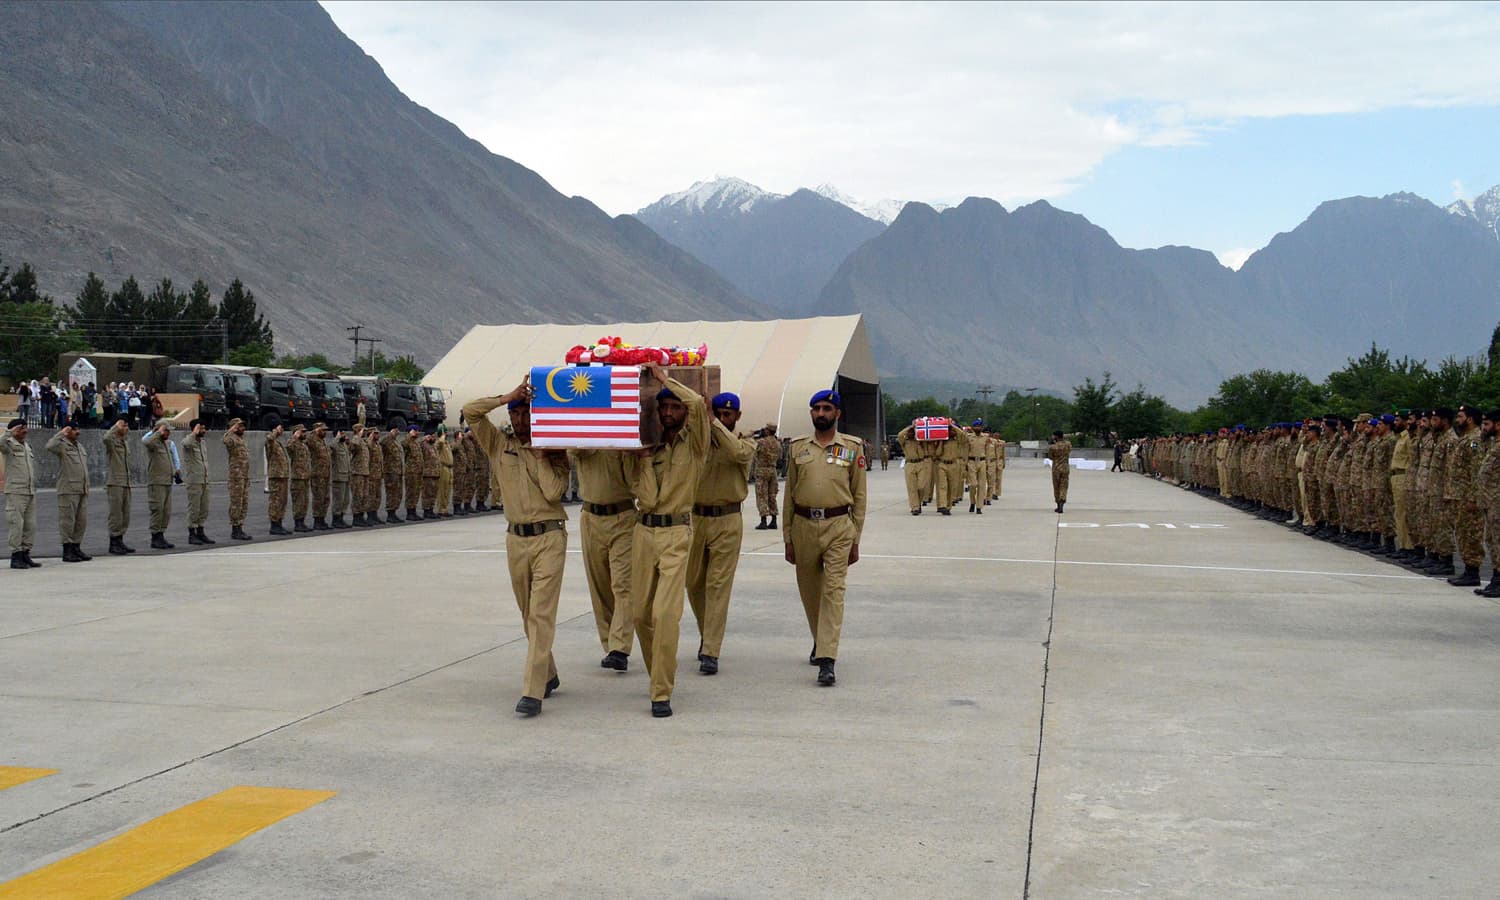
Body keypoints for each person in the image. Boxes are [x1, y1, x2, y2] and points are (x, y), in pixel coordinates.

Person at [463, 376, 570, 718]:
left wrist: (540, 457)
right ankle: (548, 673)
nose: (521, 420)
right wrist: (506, 396)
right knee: (527, 614)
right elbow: (470, 412)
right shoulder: (499, 444)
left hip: (549, 536)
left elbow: (554, 493)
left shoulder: (554, 450)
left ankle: (532, 691)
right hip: (515, 538)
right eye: (516, 413)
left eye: (526, 412)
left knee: (541, 614)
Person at [631, 364, 710, 718]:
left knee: (665, 614)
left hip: (677, 532)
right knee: (639, 615)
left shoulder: (695, 444)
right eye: (663, 407)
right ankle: (658, 672)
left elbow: (697, 402)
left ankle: (661, 691)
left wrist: (665, 381)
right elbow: (645, 498)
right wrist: (644, 461)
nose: (668, 412)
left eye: (673, 407)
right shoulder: (648, 448)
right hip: (644, 531)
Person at [783, 390, 867, 687]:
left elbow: (859, 496)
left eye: (827, 408)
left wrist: (855, 537)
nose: (821, 413)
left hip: (838, 527)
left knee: (833, 592)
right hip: (804, 525)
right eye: (816, 408)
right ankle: (820, 640)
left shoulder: (852, 448)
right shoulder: (797, 449)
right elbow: (789, 496)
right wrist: (787, 538)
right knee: (810, 593)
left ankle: (827, 659)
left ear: (838, 414)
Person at [687, 392, 756, 676]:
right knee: (693, 584)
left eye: (729, 415)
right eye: (719, 413)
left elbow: (737, 454)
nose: (724, 418)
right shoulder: (700, 439)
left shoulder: (746, 440)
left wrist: (713, 423)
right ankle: (708, 633)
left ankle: (711, 650)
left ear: (737, 416)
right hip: (696, 518)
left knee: (718, 586)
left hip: (727, 519)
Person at [571, 445, 638, 672]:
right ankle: (611, 644)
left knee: (623, 585)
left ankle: (620, 647)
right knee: (599, 587)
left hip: (623, 516)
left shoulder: (622, 437)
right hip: (591, 517)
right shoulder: (584, 436)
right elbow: (573, 452)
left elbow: (634, 477)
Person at [46, 422, 91, 562]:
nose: (77, 432)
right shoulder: (61, 445)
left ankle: (76, 547)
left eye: (78, 429)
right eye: (74, 430)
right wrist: (62, 433)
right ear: (67, 431)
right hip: (68, 489)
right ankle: (67, 550)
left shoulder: (80, 447)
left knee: (81, 521)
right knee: (67, 521)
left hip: (82, 489)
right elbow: (49, 446)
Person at [3, 419, 41, 568]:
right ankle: (16, 556)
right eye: (21, 429)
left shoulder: (26, 446)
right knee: (16, 525)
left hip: (29, 491)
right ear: (14, 430)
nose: (25, 431)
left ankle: (25, 554)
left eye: (25, 428)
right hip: (16, 491)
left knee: (30, 525)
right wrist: (9, 432)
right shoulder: (8, 445)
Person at [101, 417, 136, 554]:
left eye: (126, 426)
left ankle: (120, 540)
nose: (125, 428)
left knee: (124, 514)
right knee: (115, 514)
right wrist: (116, 426)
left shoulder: (124, 443)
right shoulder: (112, 442)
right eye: (123, 426)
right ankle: (113, 542)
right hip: (115, 482)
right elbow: (106, 438)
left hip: (125, 482)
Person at [181, 418, 217, 545]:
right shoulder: (189, 441)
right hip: (194, 480)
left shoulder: (202, 442)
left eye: (204, 428)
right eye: (201, 428)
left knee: (204, 507)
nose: (204, 430)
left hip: (204, 479)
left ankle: (200, 531)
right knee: (194, 508)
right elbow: (185, 444)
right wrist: (194, 433)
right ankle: (192, 534)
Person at [142, 421, 176, 549]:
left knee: (166, 511)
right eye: (166, 430)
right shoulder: (154, 443)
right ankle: (155, 536)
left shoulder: (166, 444)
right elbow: (146, 442)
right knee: (157, 509)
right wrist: (157, 432)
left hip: (167, 481)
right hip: (156, 482)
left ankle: (161, 534)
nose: (169, 433)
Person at [223, 417, 252, 540]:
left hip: (244, 476)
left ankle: (240, 526)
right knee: (236, 502)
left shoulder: (240, 439)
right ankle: (235, 529)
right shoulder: (231, 438)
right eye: (240, 426)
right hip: (236, 477)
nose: (243, 428)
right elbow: (225, 440)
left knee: (244, 502)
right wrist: (231, 430)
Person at [752, 423, 781, 530]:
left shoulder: (761, 442)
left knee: (761, 495)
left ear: (768, 431)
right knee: (772, 495)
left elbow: (753, 451)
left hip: (762, 470)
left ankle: (763, 520)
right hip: (772, 471)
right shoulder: (778, 443)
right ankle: (774, 520)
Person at [265, 422, 291, 535]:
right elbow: (270, 438)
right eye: (280, 428)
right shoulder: (270, 441)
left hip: (282, 476)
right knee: (275, 501)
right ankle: (274, 525)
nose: (282, 430)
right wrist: (275, 430)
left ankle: (279, 523)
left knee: (282, 501)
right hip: (275, 476)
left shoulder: (278, 442)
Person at [309, 422, 333, 531]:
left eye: (325, 430)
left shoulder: (322, 442)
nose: (325, 432)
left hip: (326, 474)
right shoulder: (313, 440)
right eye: (322, 430)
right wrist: (314, 432)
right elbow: (308, 440)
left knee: (325, 498)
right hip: (318, 475)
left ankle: (322, 518)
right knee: (318, 498)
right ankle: (317, 520)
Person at [289, 424, 313, 532]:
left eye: (304, 432)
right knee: (298, 501)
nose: (304, 434)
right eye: (302, 432)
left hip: (305, 476)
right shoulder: (293, 443)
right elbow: (288, 447)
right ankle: (297, 523)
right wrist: (294, 436)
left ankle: (302, 522)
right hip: (297, 477)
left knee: (304, 501)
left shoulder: (303, 445)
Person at [381, 425, 406, 522]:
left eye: (398, 430)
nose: (397, 432)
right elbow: (380, 445)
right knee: (391, 493)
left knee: (398, 493)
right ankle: (390, 514)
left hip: (398, 471)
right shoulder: (386, 441)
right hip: (390, 472)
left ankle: (394, 512)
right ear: (391, 430)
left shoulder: (396, 442)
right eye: (395, 430)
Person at [349, 424, 371, 526]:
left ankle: (362, 515)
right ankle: (356, 517)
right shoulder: (355, 440)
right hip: (357, 472)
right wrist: (357, 435)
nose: (365, 432)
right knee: (357, 495)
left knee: (365, 495)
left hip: (365, 472)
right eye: (363, 430)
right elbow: (352, 448)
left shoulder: (363, 441)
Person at [330, 427, 352, 529]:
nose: (344, 435)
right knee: (338, 500)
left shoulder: (344, 445)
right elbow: (332, 447)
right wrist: (337, 438)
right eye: (342, 434)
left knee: (345, 500)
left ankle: (341, 518)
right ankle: (336, 520)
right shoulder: (335, 445)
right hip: (338, 477)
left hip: (346, 476)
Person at [1047, 430, 1072, 513]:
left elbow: (1050, 457)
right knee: (1064, 486)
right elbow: (1069, 451)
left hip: (1056, 469)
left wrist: (1052, 443)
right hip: (1065, 468)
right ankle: (1062, 503)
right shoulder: (1068, 444)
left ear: (1056, 437)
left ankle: (1058, 505)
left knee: (1056, 487)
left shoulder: (1053, 447)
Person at [402, 425, 423, 522]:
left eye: (417, 430)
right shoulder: (407, 441)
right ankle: (409, 512)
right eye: (415, 430)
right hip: (411, 471)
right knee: (410, 492)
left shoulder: (416, 443)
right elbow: (404, 444)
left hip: (418, 471)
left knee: (416, 492)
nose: (417, 432)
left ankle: (413, 511)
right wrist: (409, 435)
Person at [435, 425, 454, 517]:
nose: (446, 434)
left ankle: (445, 508)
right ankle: (441, 509)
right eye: (445, 432)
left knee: (448, 489)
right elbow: (438, 444)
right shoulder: (439, 443)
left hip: (450, 468)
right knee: (442, 489)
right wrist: (441, 436)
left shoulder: (446, 443)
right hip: (443, 467)